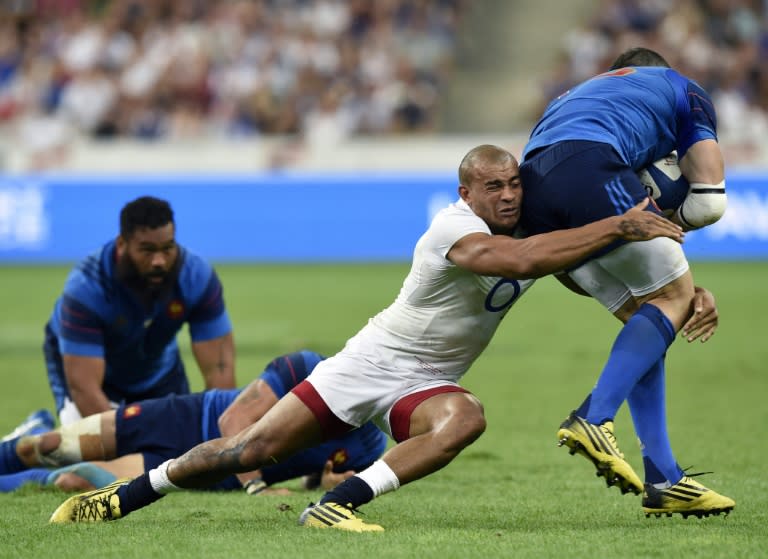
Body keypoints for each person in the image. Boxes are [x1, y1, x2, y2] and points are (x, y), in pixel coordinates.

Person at [49, 144, 689, 531]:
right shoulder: (452, 228)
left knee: (465, 419)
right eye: (493, 186)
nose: (508, 195)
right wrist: (620, 225)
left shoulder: (530, 229)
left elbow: (578, 271)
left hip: (429, 381)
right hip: (370, 361)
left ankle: (338, 505)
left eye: (515, 183)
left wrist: (685, 297)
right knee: (246, 450)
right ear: (466, 191)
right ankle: (123, 497)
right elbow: (522, 264)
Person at [517, 47, 733, 518]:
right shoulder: (681, 87)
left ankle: (664, 479)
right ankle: (593, 417)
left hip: (537, 192)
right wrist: (679, 258)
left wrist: (675, 283)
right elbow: (711, 201)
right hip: (590, 166)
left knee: (648, 322)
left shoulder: (575, 95)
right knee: (670, 301)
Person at [0, 350, 386, 494]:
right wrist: (255, 489)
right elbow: (233, 418)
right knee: (47, 448)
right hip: (182, 419)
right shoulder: (306, 368)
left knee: (76, 479)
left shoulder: (369, 444)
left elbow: (310, 475)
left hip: (208, 472)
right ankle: (31, 434)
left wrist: (323, 481)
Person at [43, 196, 236, 425]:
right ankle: (35, 432)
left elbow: (220, 371)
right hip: (92, 374)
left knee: (178, 450)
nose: (159, 261)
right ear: (122, 244)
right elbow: (86, 390)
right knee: (93, 454)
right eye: (147, 250)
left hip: (157, 369)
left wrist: (220, 436)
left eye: (167, 249)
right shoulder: (87, 289)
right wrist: (124, 442)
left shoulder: (196, 277)